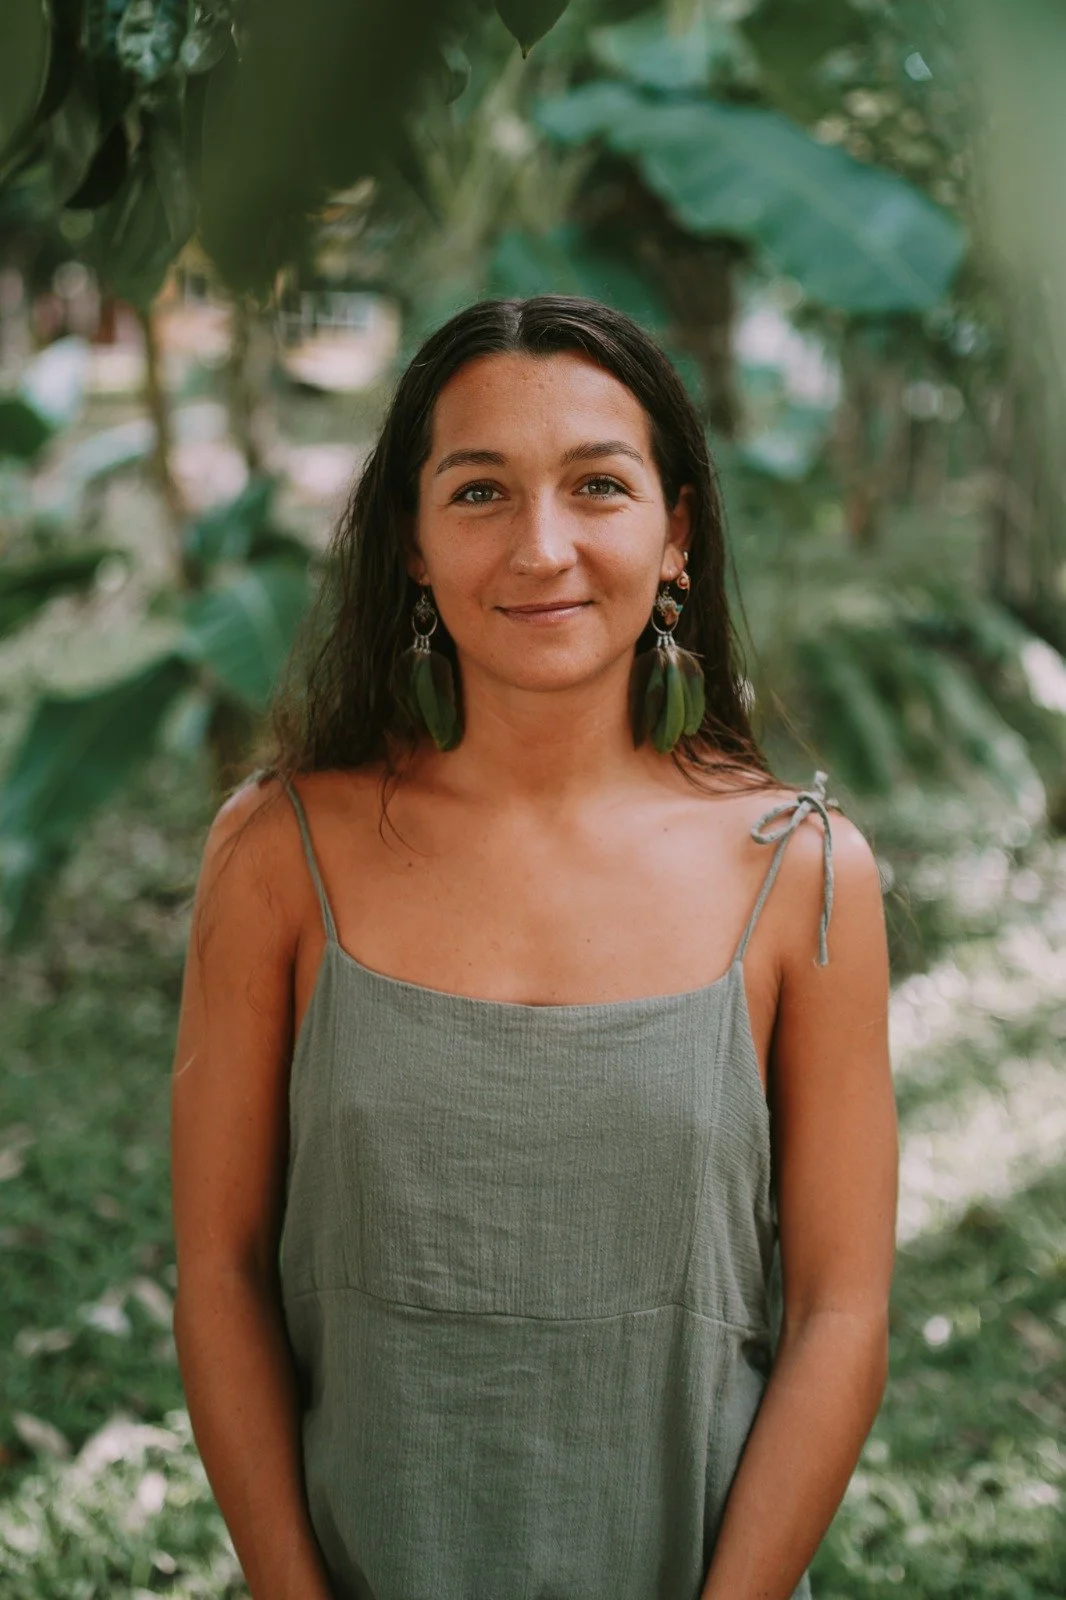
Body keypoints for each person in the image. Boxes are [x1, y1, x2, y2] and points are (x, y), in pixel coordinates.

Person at [170, 294, 898, 1600]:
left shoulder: (801, 872)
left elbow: (841, 1313)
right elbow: (220, 1268)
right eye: (479, 492)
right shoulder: (277, 852)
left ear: (675, 534)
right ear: (411, 539)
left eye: (598, 486)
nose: (541, 546)